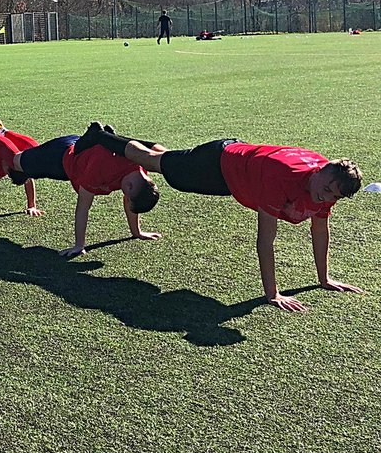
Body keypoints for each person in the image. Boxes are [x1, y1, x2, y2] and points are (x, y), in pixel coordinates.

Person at [75, 124, 365, 312]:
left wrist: (324, 279)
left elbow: (320, 230)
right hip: (217, 163)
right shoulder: (282, 178)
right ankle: (100, 136)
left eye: (332, 196)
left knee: (169, 161)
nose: (324, 197)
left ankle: (129, 142)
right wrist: (273, 294)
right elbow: (266, 240)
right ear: (320, 170)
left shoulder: (330, 186)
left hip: (236, 173)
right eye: (324, 188)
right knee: (158, 165)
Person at [8, 124, 161, 257]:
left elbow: (131, 202)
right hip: (59, 156)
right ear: (130, 188)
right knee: (14, 163)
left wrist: (137, 232)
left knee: (24, 161)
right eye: (127, 196)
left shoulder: (139, 174)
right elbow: (83, 208)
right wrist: (79, 245)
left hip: (82, 150)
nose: (125, 198)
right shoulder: (101, 169)